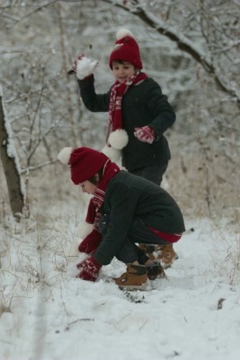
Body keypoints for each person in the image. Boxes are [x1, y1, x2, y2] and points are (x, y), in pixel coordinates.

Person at [71, 28, 179, 266]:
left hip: (153, 155)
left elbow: (167, 113)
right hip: (132, 159)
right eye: (116, 67)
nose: (121, 72)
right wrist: (85, 79)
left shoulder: (147, 87)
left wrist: (153, 129)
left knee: (144, 201)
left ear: (136, 67)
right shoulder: (115, 93)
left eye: (126, 67)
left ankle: (163, 249)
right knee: (136, 205)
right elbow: (91, 103)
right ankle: (148, 253)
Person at [58, 146, 185, 290]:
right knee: (109, 223)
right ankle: (150, 267)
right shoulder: (115, 183)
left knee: (109, 225)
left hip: (165, 226)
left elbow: (117, 230)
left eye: (83, 184)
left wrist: (95, 263)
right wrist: (89, 256)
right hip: (166, 224)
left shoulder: (120, 187)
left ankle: (136, 274)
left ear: (96, 176)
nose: (83, 190)